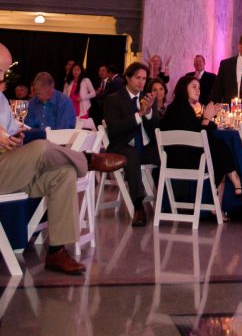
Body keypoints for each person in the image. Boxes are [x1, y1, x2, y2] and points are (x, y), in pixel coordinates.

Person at [0, 43, 127, 274]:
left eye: (4, 72)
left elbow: (11, 132)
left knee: (64, 173)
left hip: (12, 166)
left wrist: (15, 136)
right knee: (40, 147)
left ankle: (57, 251)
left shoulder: (1, 100)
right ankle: (86, 160)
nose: (2, 78)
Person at [160, 74, 242, 195]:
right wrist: (207, 119)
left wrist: (207, 119)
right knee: (218, 150)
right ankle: (235, 180)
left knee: (218, 148)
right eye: (194, 87)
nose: (198, 90)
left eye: (199, 87)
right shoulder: (180, 109)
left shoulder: (180, 107)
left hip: (178, 158)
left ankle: (232, 183)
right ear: (184, 89)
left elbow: (194, 130)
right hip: (183, 160)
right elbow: (198, 138)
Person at [103, 62, 160, 227]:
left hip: (145, 146)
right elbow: (114, 129)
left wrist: (148, 112)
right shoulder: (113, 99)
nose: (141, 82)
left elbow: (156, 125)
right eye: (137, 78)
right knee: (132, 155)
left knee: (165, 153)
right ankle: (138, 206)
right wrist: (139, 113)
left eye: (144, 78)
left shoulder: (148, 98)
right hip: (121, 145)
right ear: (128, 78)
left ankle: (167, 201)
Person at [25, 73, 76, 138]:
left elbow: (63, 132)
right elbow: (27, 126)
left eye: (43, 93)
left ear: (52, 87)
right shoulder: (33, 102)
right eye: (38, 93)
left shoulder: (64, 102)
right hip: (34, 143)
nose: (40, 97)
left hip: (56, 144)